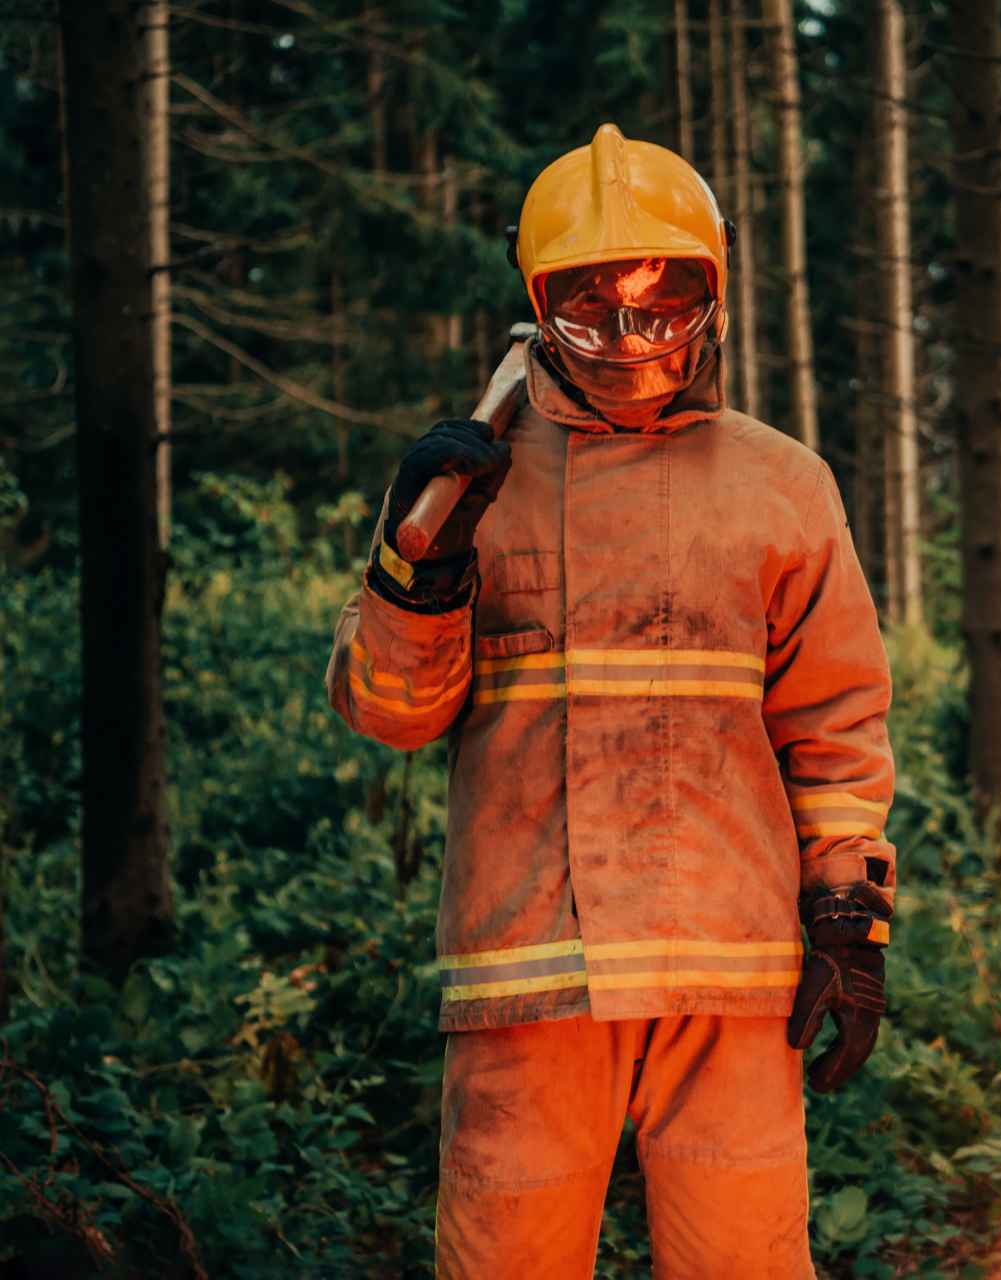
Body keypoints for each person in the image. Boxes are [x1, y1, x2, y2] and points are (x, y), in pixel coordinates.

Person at [324, 122, 895, 1279]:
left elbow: (835, 728)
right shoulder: (468, 480)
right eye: (593, 310)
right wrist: (415, 566)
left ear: (712, 296)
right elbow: (389, 710)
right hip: (530, 981)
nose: (632, 340)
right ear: (539, 305)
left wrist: (850, 914)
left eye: (663, 305)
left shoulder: (783, 485)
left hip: (727, 988)